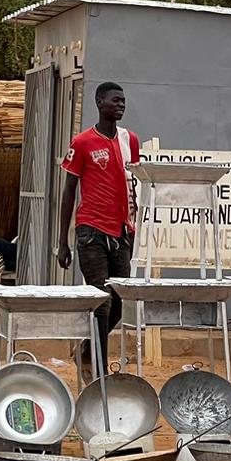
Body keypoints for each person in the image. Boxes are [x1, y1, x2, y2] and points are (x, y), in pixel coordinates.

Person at [56, 81, 140, 373]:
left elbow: (133, 182)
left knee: (118, 301)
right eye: (115, 100)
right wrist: (63, 241)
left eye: (123, 101)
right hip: (91, 230)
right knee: (100, 300)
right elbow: (69, 191)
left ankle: (87, 350)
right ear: (99, 102)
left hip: (121, 232)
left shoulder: (131, 140)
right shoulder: (81, 143)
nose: (121, 105)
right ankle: (100, 370)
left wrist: (132, 223)